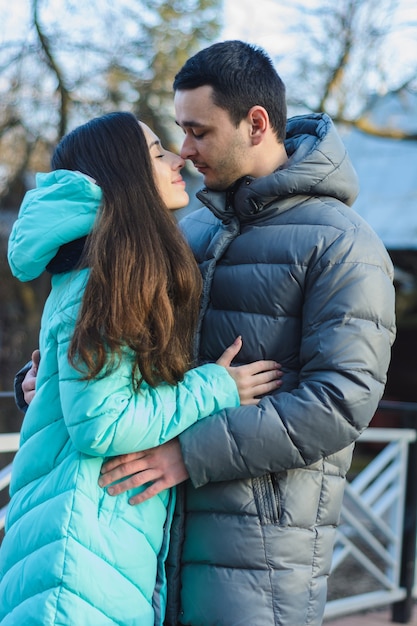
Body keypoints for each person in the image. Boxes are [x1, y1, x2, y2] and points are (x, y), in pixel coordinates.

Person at [96, 42, 397, 625]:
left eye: (198, 131)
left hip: (262, 560)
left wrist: (190, 452)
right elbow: (137, 349)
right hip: (147, 538)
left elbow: (341, 400)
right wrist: (56, 375)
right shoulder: (192, 227)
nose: (183, 150)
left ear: (255, 124)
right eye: (179, 131)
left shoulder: (343, 244)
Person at [1, 111, 282, 626]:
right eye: (156, 153)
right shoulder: (108, 276)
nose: (178, 158)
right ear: (124, 177)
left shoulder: (92, 265)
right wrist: (213, 387)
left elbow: (79, 380)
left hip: (82, 538)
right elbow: (103, 423)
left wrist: (38, 387)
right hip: (80, 550)